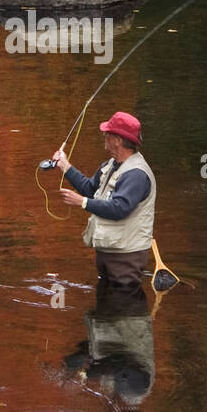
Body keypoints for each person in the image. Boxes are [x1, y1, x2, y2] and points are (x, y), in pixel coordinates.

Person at [51, 111, 155, 287]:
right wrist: (65, 166)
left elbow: (118, 209)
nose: (104, 136)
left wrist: (81, 202)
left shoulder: (136, 174)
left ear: (118, 140)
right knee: (107, 306)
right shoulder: (110, 166)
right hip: (111, 251)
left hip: (127, 256)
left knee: (124, 306)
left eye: (107, 133)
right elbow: (91, 190)